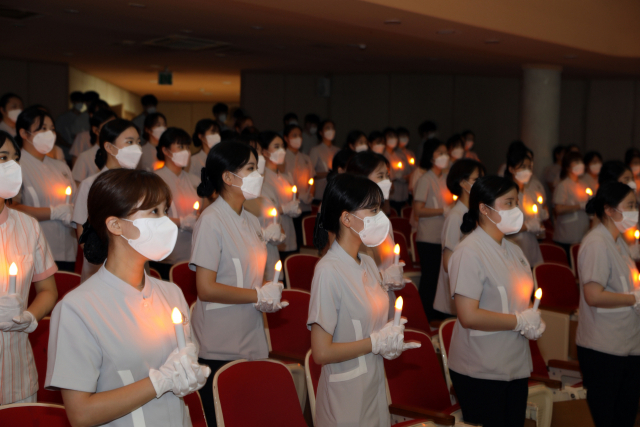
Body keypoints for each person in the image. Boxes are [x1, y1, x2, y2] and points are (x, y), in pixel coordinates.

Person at [46, 169, 209, 426]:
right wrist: (158, 382)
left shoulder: (171, 293)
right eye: (153, 212)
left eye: (165, 211)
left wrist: (188, 374)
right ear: (115, 224)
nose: (166, 222)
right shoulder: (77, 309)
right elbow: (81, 414)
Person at [307, 173, 420, 427]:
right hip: (344, 397)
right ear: (347, 218)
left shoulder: (368, 262)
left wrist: (389, 339)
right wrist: (374, 342)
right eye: (372, 210)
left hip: (373, 385)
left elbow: (373, 326)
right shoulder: (328, 270)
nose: (381, 218)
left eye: (380, 209)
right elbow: (321, 352)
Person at [191, 141, 287, 426]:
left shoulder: (251, 220)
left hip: (250, 333)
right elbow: (205, 288)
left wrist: (268, 292)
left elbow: (252, 277)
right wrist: (256, 294)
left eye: (257, 168)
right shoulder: (210, 221)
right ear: (228, 177)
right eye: (250, 168)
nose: (258, 174)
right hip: (219, 341)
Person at [448, 175, 545, 427]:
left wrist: (531, 320)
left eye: (517, 203)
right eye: (509, 203)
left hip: (515, 363)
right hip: (480, 367)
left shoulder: (515, 250)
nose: (516, 210)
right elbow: (468, 315)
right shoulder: (468, 251)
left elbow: (520, 300)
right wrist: (518, 320)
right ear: (484, 208)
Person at [0, 130, 58, 405]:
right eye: (2, 158)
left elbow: (47, 289)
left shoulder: (27, 226)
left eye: (14, 159)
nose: (11, 167)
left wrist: (31, 317)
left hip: (18, 371)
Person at [577, 181, 640, 427]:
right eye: (630, 206)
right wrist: (634, 298)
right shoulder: (596, 243)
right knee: (607, 416)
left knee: (625, 414)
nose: (635, 211)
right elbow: (593, 295)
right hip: (603, 347)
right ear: (610, 210)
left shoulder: (618, 241)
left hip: (627, 343)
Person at [73, 119, 142, 283]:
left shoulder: (141, 185)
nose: (137, 148)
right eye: (129, 142)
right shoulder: (90, 184)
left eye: (138, 142)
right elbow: (84, 237)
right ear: (109, 147)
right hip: (101, 269)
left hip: (136, 266)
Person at [12, 106, 77, 271]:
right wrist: (54, 212)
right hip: (31, 250)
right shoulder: (15, 165)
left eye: (52, 129)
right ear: (24, 133)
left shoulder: (61, 166)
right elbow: (12, 208)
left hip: (66, 250)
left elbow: (75, 203)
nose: (50, 134)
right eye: (43, 129)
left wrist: (73, 214)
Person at [434, 159, 485, 316]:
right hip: (457, 294)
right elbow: (447, 262)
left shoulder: (476, 213)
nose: (481, 183)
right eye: (477, 179)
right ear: (463, 183)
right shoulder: (455, 216)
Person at [412, 138, 453, 320]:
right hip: (428, 237)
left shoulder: (446, 178)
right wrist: (442, 210)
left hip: (443, 236)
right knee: (429, 277)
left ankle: (437, 312)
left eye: (446, 153)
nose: (445, 156)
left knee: (440, 278)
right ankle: (424, 315)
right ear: (431, 157)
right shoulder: (425, 179)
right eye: (440, 153)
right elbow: (418, 210)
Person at [153, 128, 201, 278]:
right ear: (166, 150)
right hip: (166, 256)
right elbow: (150, 217)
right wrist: (181, 222)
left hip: (192, 254)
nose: (186, 151)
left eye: (187, 147)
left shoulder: (195, 181)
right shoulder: (155, 180)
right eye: (180, 147)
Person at [259, 131, 299, 265]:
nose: (281, 150)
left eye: (282, 146)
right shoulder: (262, 178)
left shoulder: (285, 177)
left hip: (289, 233)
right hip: (272, 236)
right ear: (264, 151)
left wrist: (294, 207)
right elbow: (262, 208)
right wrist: (283, 209)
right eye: (276, 147)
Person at [504, 145, 545, 267]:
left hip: (531, 246)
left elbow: (535, 216)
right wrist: (527, 226)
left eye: (529, 167)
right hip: (514, 247)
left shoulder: (530, 193)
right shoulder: (505, 194)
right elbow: (504, 226)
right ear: (511, 169)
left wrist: (538, 225)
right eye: (523, 167)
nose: (527, 171)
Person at [553, 151, 590, 263]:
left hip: (582, 233)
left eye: (581, 162)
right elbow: (558, 208)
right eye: (576, 162)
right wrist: (579, 206)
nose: (580, 164)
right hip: (567, 235)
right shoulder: (563, 185)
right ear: (567, 167)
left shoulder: (584, 185)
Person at [283, 124, 315, 250]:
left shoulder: (306, 158)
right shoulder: (283, 158)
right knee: (292, 239)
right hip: (290, 206)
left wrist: (310, 194)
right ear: (286, 138)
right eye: (294, 135)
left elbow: (312, 180)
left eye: (300, 136)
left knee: (304, 240)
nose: (298, 139)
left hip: (305, 205)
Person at [71, 108, 117, 185]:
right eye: (108, 126)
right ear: (96, 130)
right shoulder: (85, 157)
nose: (113, 130)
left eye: (115, 126)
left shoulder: (119, 153)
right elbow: (77, 186)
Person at [70, 100, 111, 167]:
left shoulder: (113, 136)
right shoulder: (82, 136)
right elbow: (75, 162)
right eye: (100, 112)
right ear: (91, 115)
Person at [310, 120, 339, 202]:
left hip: (334, 193)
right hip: (320, 194)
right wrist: (329, 174)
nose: (331, 130)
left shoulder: (337, 150)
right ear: (321, 132)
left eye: (332, 128)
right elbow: (311, 173)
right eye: (327, 128)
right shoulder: (315, 150)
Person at [383, 127, 410, 215]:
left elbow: (408, 172)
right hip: (391, 194)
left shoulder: (401, 155)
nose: (393, 139)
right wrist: (394, 177)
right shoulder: (383, 155)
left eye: (394, 136)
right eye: (390, 136)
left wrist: (403, 177)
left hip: (403, 191)